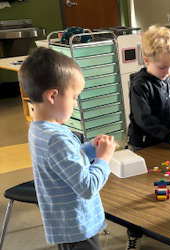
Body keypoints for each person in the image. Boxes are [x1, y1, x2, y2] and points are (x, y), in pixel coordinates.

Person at [19, 47, 116, 249]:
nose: (74, 103)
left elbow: (65, 160)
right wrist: (103, 159)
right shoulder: (55, 137)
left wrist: (90, 148)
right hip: (77, 227)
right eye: (74, 97)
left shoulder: (40, 129)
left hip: (67, 225)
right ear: (53, 96)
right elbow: (87, 187)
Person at [128, 24, 170, 151]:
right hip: (143, 145)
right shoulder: (140, 85)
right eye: (162, 67)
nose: (168, 72)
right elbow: (144, 119)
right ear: (147, 60)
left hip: (165, 143)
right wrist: (169, 137)